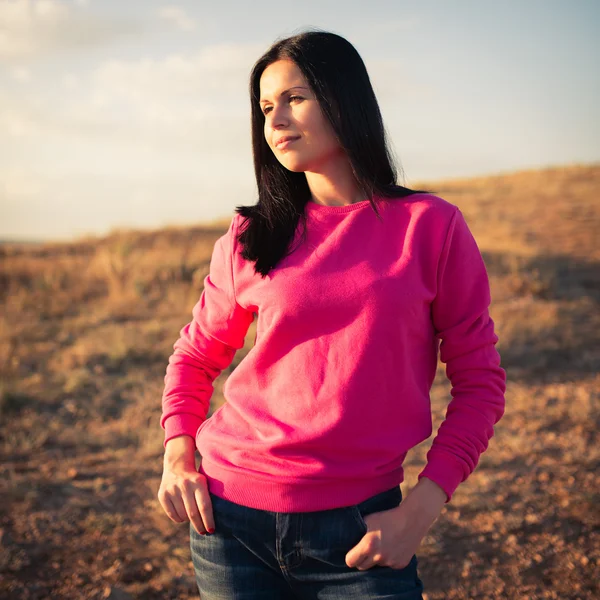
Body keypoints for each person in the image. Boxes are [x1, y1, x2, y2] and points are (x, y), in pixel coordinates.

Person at [157, 29, 506, 600]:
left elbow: (480, 383)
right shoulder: (252, 233)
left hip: (360, 530)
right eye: (266, 107)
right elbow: (195, 357)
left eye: (295, 98)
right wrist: (178, 453)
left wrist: (420, 509)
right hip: (229, 525)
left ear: (344, 98)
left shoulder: (430, 227)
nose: (275, 121)